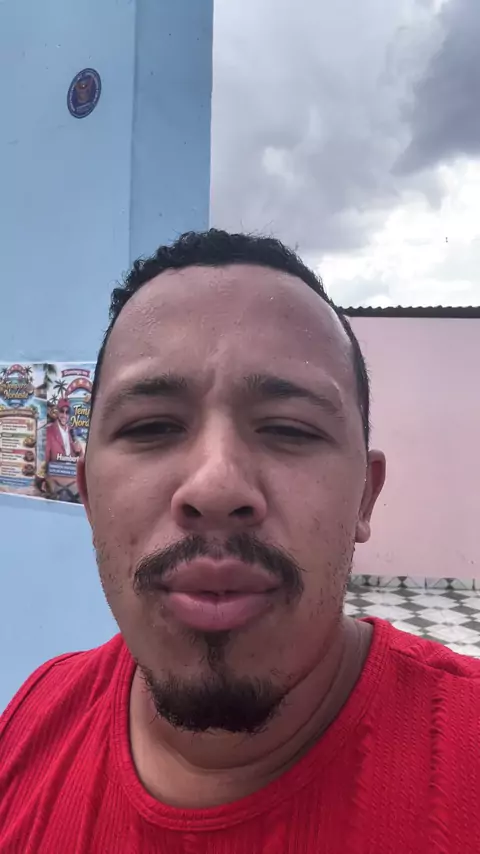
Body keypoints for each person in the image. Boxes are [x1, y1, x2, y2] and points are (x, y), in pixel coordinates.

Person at [0, 230, 478, 853]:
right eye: (152, 426)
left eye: (289, 429)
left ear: (365, 496)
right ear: (88, 495)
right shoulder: (30, 722)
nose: (217, 485)